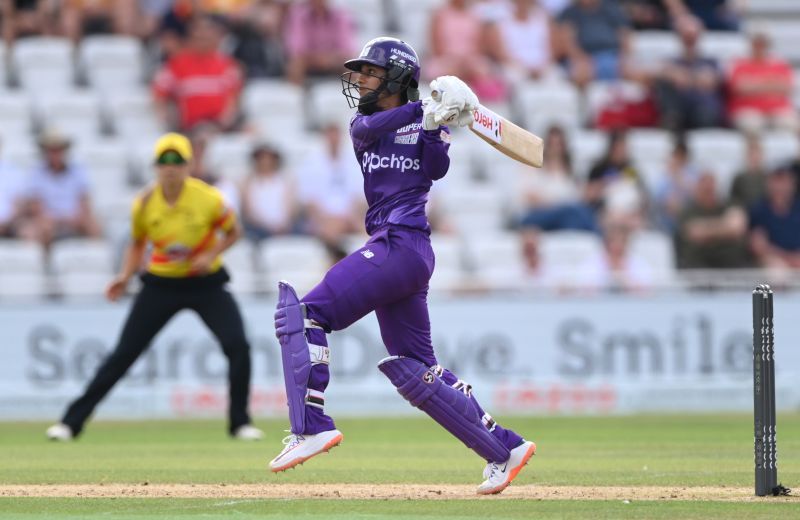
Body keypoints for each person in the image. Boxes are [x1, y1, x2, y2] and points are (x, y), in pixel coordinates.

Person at [267, 37, 536, 495]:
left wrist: (439, 123)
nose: (361, 79)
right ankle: (503, 449)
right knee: (415, 369)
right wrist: (428, 111)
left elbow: (436, 168)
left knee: (304, 314)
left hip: (401, 243)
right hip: (402, 252)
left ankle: (310, 426)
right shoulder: (364, 123)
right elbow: (377, 128)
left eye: (370, 72)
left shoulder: (426, 121)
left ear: (395, 77)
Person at [46, 133, 263, 442]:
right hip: (161, 283)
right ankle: (70, 422)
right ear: (155, 167)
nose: (170, 168)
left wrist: (211, 255)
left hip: (206, 283)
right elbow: (137, 244)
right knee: (124, 354)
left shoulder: (209, 198)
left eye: (177, 161)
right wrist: (125, 275)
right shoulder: (145, 203)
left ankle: (240, 423)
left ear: (189, 165)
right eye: (164, 161)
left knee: (238, 346)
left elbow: (234, 232)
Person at [152, 14, 244, 132]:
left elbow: (234, 99)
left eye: (206, 36)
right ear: (190, 38)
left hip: (220, 127)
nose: (202, 39)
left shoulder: (228, 65)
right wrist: (168, 120)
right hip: (190, 128)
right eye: (198, 36)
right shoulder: (176, 65)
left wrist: (224, 123)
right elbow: (159, 94)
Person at [16, 128, 101, 250]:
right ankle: (46, 264)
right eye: (51, 150)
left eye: (58, 149)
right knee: (38, 229)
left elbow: (84, 201)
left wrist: (78, 217)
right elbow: (36, 207)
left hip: (74, 218)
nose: (55, 154)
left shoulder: (78, 171)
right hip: (48, 220)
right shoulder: (36, 173)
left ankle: (93, 259)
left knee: (94, 226)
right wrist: (53, 220)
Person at [727, 32, 797, 135]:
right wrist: (771, 84)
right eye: (757, 43)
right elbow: (739, 88)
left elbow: (788, 88)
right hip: (747, 110)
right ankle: (754, 151)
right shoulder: (739, 64)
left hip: (778, 110)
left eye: (763, 43)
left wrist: (754, 84)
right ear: (751, 44)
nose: (760, 46)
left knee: (791, 123)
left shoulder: (780, 64)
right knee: (751, 125)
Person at [675, 171, 749, 269]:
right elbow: (695, 233)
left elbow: (736, 227)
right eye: (704, 189)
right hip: (697, 268)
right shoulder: (688, 211)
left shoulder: (730, 204)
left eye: (710, 188)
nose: (708, 191)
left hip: (731, 266)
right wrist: (725, 226)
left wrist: (706, 229)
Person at [241, 143, 296, 242]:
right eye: (262, 159)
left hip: (285, 227)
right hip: (259, 228)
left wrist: (283, 225)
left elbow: (291, 208)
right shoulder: (249, 183)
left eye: (269, 158)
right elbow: (249, 212)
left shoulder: (285, 181)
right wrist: (267, 226)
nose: (265, 162)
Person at [749, 164, 800, 270]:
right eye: (776, 181)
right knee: (776, 270)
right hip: (775, 261)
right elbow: (758, 246)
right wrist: (789, 259)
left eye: (784, 181)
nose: (780, 187)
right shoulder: (760, 210)